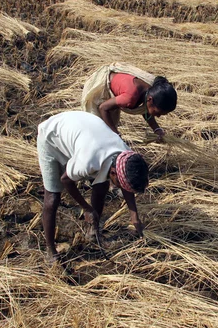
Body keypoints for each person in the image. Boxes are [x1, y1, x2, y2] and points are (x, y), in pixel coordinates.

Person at [37, 111, 149, 263]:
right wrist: (87, 208)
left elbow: (126, 185)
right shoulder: (88, 162)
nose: (119, 187)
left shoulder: (126, 155)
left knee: (102, 186)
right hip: (51, 136)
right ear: (114, 172)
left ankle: (93, 232)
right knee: (52, 197)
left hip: (81, 131)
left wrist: (134, 217)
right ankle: (50, 251)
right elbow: (66, 181)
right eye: (119, 183)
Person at [81, 62, 177, 140]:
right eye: (158, 112)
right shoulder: (130, 98)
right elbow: (103, 107)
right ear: (150, 100)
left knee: (109, 128)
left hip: (120, 93)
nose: (158, 116)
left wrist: (156, 129)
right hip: (101, 87)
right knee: (98, 128)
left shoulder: (153, 90)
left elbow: (145, 110)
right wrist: (116, 134)